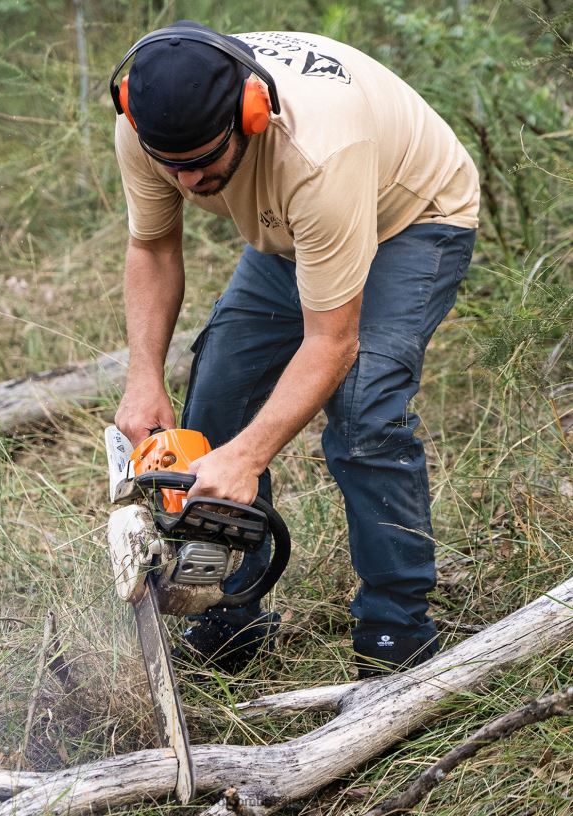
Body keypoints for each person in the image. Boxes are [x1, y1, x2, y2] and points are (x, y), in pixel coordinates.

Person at [111, 21, 479, 678]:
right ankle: (228, 610)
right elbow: (154, 245)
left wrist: (249, 457)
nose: (188, 180)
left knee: (365, 410)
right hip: (298, 230)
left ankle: (397, 634)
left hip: (411, 218)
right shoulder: (148, 125)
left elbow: (331, 343)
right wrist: (144, 376)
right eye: (173, 165)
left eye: (204, 160)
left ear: (252, 115)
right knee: (218, 396)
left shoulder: (319, 151)